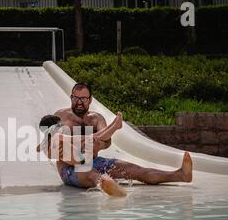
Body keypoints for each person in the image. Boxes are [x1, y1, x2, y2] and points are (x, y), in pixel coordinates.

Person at [38, 82, 193, 193]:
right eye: (75, 98)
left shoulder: (96, 118)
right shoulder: (61, 116)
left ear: (90, 100)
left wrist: (101, 145)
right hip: (69, 168)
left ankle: (180, 175)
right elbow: (51, 142)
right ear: (71, 98)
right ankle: (110, 186)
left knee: (136, 170)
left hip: (94, 161)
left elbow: (107, 141)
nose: (79, 102)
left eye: (83, 99)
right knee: (89, 171)